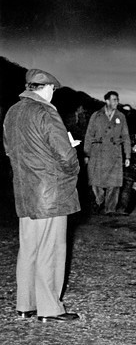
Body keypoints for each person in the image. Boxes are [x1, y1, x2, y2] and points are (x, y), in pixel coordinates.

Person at [3, 68, 81, 323]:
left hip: (25, 191)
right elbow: (64, 154)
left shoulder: (13, 112)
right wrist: (73, 160)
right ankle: (49, 308)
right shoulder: (47, 112)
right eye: (52, 91)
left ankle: (25, 305)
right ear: (46, 88)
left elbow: (8, 149)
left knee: (28, 248)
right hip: (50, 192)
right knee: (51, 249)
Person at [84, 90, 132, 214]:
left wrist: (128, 155)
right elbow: (89, 135)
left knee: (114, 183)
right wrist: (86, 153)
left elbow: (126, 136)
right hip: (98, 153)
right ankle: (99, 200)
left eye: (117, 99)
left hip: (114, 153)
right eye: (114, 99)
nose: (116, 102)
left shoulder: (121, 117)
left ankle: (110, 209)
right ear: (107, 101)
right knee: (95, 181)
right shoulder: (96, 115)